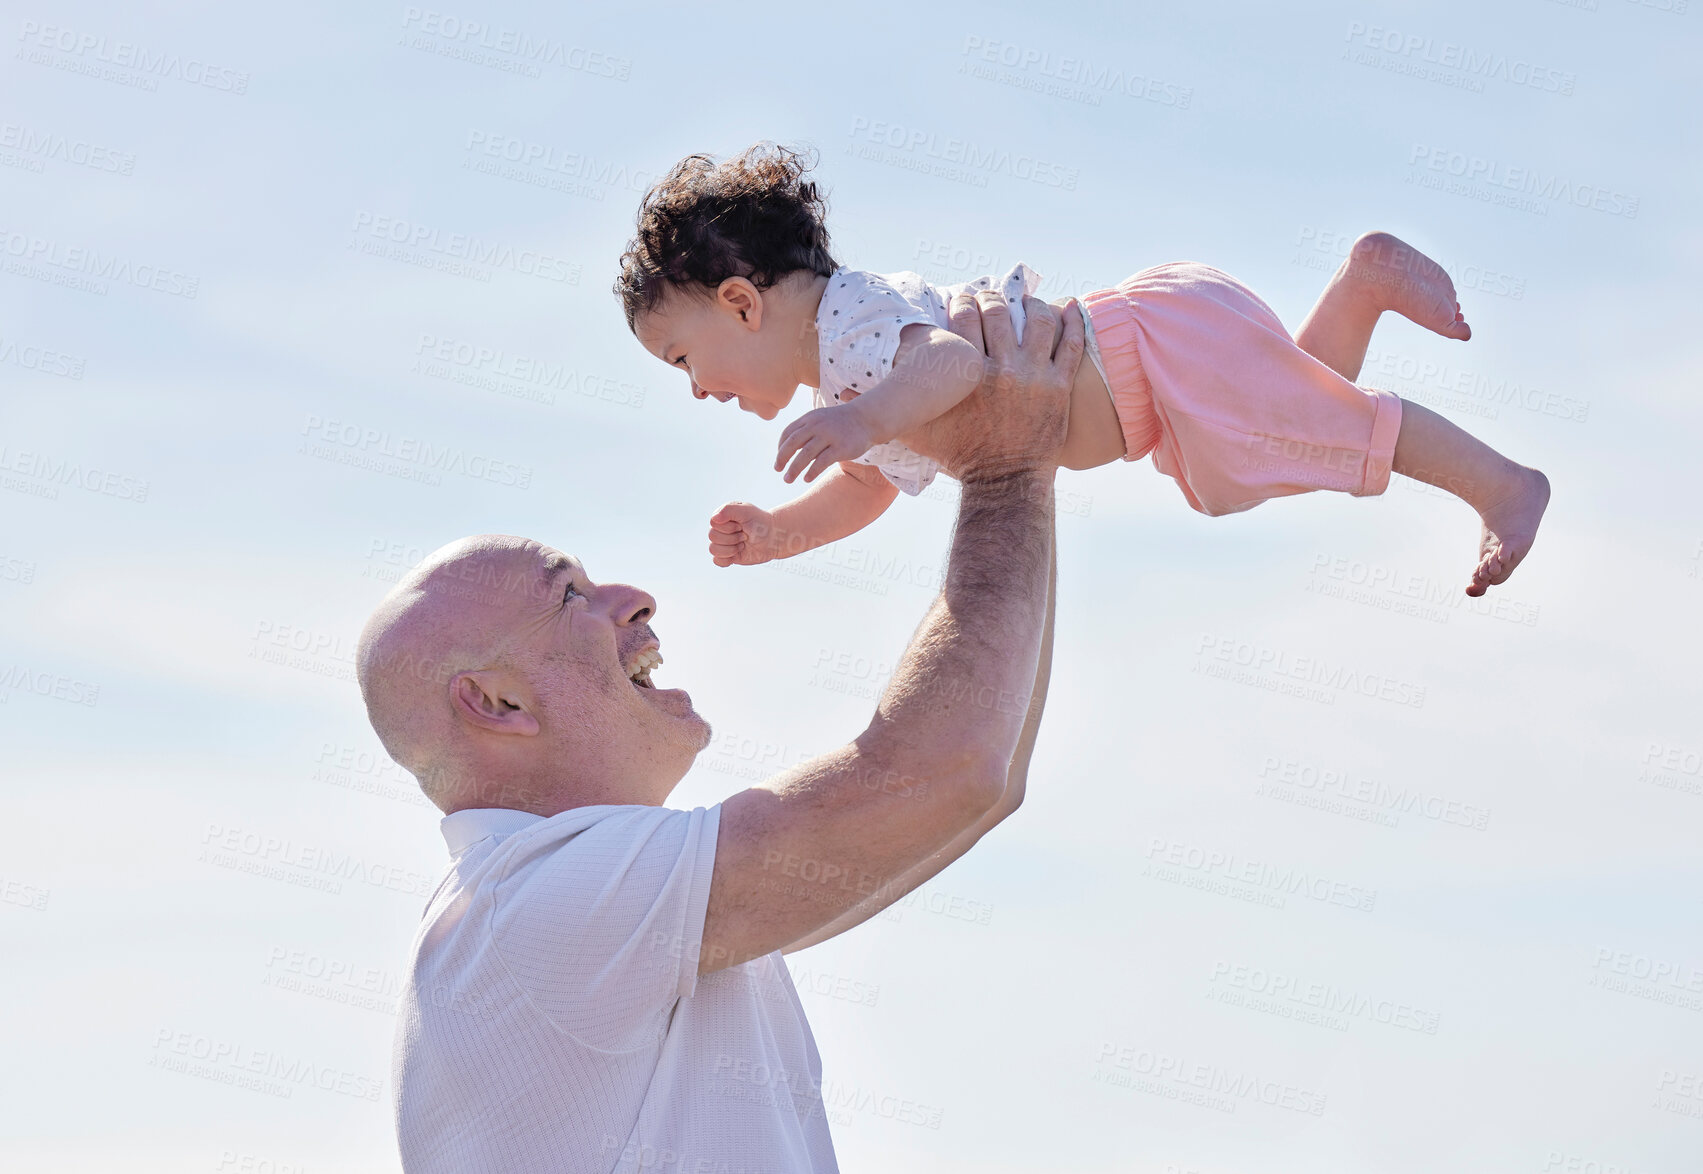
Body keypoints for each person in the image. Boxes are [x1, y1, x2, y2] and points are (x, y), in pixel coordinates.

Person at [355, 289, 1083, 1173]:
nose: (636, 598)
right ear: (498, 705)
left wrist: (1018, 476)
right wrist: (1006, 472)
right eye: (571, 597)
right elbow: (947, 769)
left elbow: (979, 772)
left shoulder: (566, 907)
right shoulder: (540, 900)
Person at [616, 143, 1550, 598]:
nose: (697, 388)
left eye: (685, 358)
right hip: (1156, 361)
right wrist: (782, 532)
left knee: (1326, 430)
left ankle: (1502, 485)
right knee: (1275, 440)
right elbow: (868, 489)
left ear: (742, 303)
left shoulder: (854, 329)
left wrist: (860, 424)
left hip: (1144, 353)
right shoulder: (849, 376)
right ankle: (1360, 289)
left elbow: (945, 363)